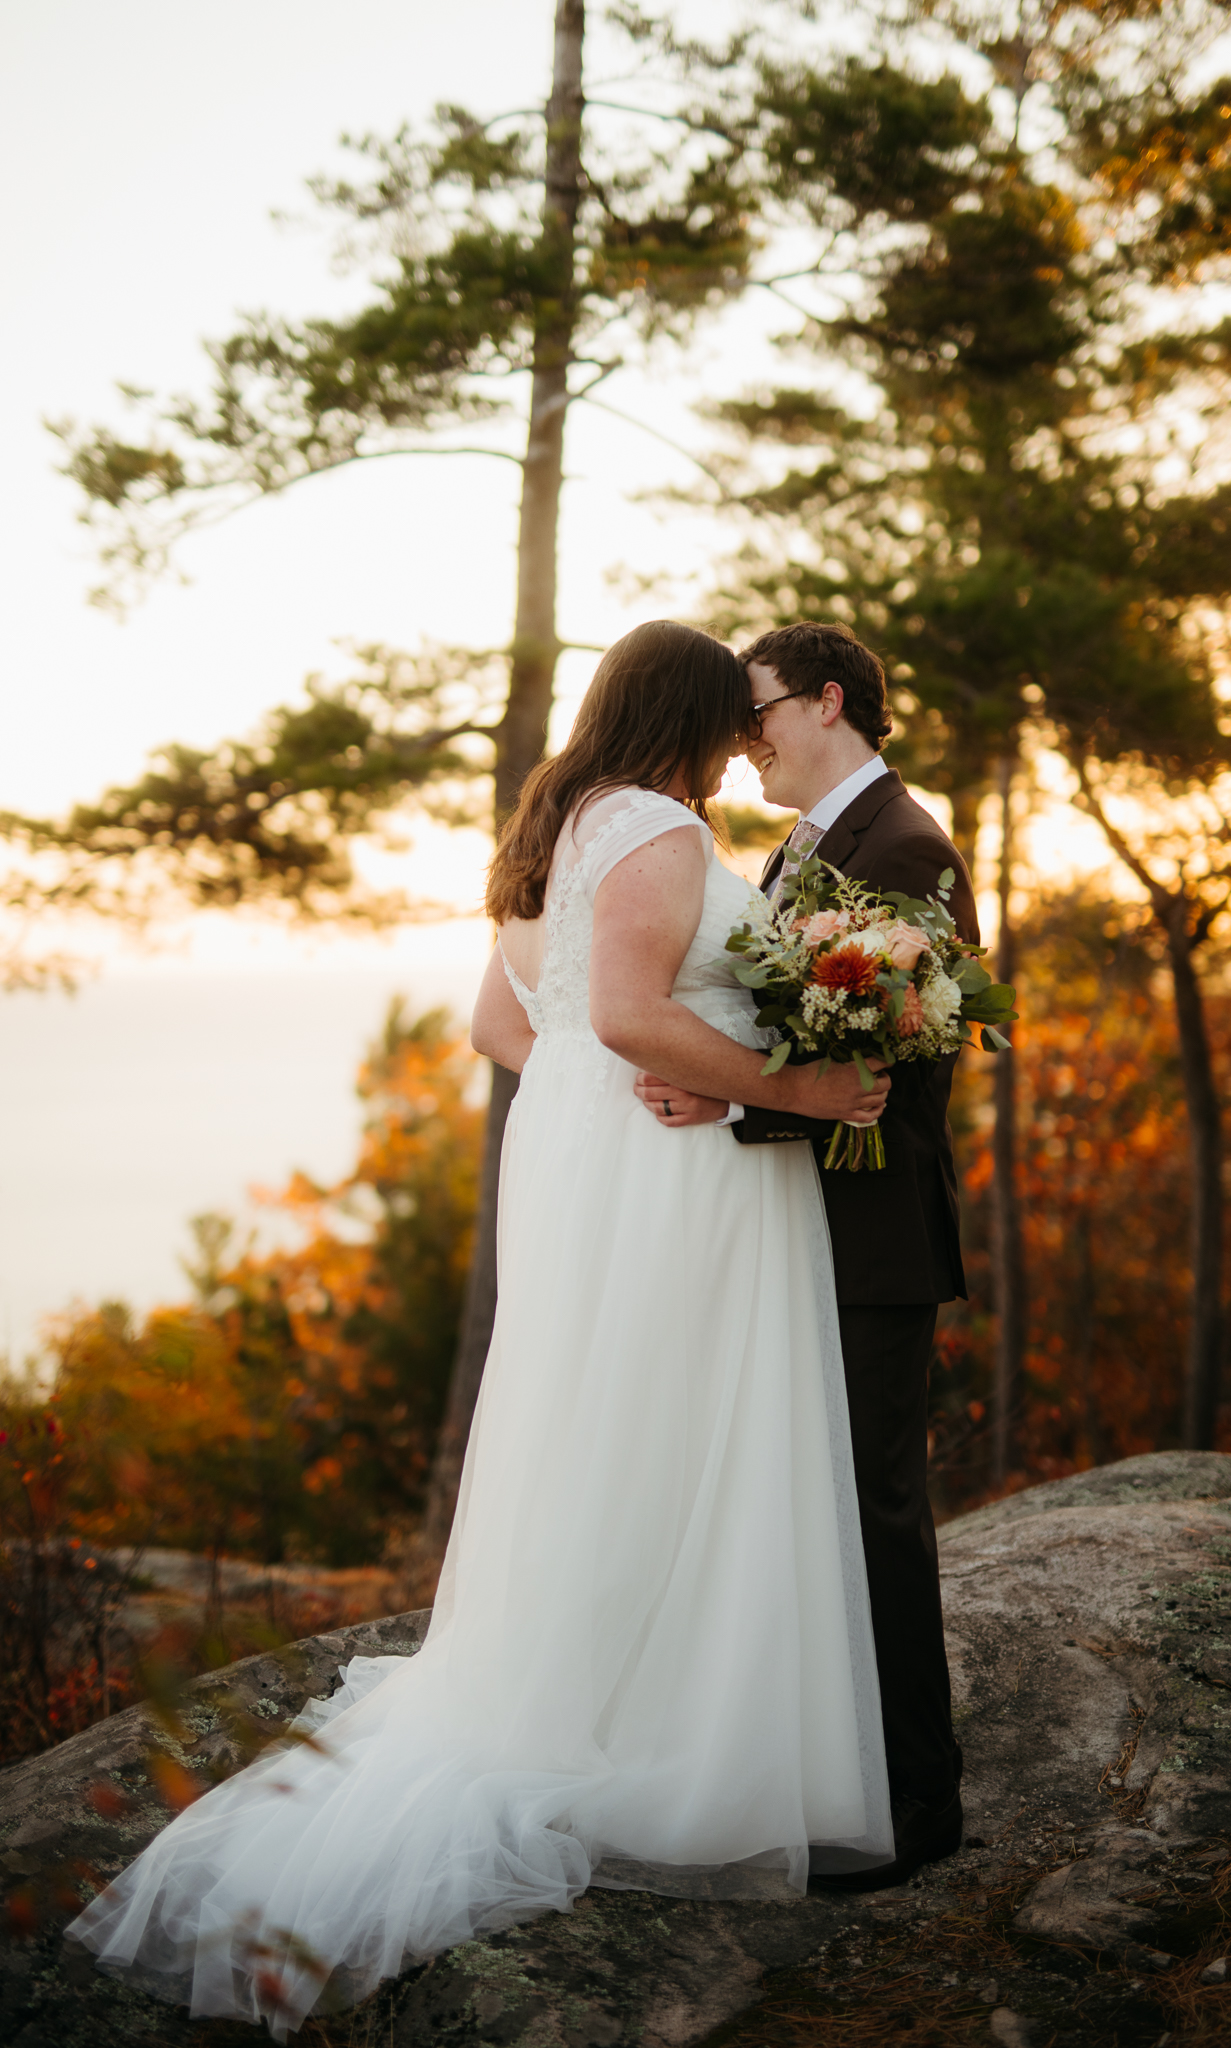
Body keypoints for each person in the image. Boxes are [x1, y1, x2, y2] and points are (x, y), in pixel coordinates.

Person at [68, 621, 894, 2039]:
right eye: (729, 719)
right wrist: (789, 1089)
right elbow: (630, 1011)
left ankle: (613, 1659)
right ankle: (654, 1714)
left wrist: (600, 1071)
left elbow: (507, 1029)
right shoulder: (660, 830)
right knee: (672, 1421)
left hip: (587, 1155)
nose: (745, 742)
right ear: (686, 716)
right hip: (669, 1171)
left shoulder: (555, 826)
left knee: (603, 1414)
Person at [635, 621, 977, 1889]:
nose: (745, 733)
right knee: (805, 1512)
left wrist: (735, 1105)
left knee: (876, 1515)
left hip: (873, 1236)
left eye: (760, 707)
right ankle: (825, 1777)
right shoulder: (802, 844)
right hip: (795, 1230)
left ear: (827, 702)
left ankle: (920, 1805)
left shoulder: (906, 845)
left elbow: (909, 1064)